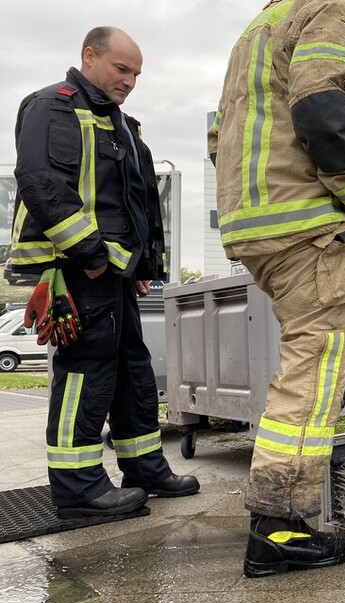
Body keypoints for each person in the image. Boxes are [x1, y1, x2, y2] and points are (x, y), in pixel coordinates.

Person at [209, 0, 345, 578]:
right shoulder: (340, 11)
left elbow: (220, 136)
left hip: (260, 220)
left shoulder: (261, 26)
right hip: (306, 222)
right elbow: (323, 111)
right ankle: (280, 526)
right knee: (317, 360)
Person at [12, 27, 200, 519]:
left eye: (137, 73)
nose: (131, 81)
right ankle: (78, 490)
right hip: (82, 268)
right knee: (86, 369)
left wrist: (142, 266)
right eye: (122, 69)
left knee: (132, 370)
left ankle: (143, 468)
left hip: (113, 271)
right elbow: (40, 182)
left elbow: (139, 200)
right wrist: (91, 255)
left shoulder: (121, 124)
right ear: (89, 56)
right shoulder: (53, 106)